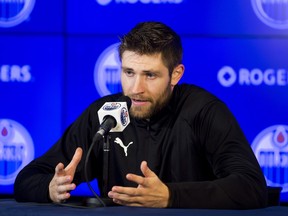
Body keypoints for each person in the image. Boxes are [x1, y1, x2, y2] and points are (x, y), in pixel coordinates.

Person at [14, 21, 267, 209]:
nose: (136, 89)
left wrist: (170, 196)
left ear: (175, 74)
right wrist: (50, 188)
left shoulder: (204, 111)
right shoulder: (105, 114)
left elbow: (252, 186)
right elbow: (27, 179)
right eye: (129, 72)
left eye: (150, 75)